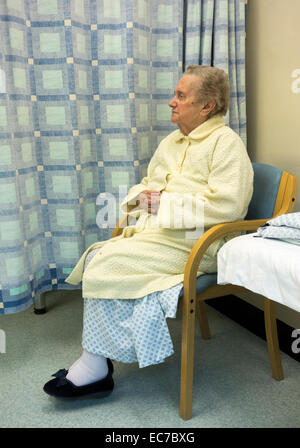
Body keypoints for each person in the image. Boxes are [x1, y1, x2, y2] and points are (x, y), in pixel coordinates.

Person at [43, 65, 253, 399]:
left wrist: (163, 207)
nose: (172, 102)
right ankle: (97, 361)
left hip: (200, 241)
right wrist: (139, 200)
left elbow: (229, 206)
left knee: (107, 262)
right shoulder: (173, 141)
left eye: (181, 96)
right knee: (100, 254)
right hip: (160, 234)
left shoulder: (226, 143)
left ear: (207, 106)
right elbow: (148, 183)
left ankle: (95, 368)